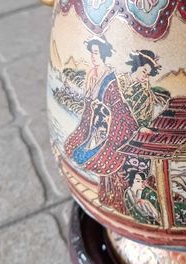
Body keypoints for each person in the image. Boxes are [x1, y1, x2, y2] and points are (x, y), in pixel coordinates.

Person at [65, 49, 170, 177]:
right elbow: (107, 102)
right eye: (144, 71)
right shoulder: (116, 81)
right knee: (86, 148)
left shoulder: (145, 94)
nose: (145, 77)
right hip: (105, 123)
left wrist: (139, 127)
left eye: (148, 74)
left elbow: (143, 118)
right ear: (136, 66)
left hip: (125, 132)